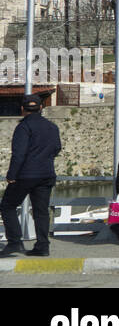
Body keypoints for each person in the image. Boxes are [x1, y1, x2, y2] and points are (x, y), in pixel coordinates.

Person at [1, 94, 61, 257]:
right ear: (41, 108)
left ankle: (14, 242)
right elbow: (57, 148)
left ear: (22, 109)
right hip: (46, 173)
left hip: (26, 174)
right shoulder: (52, 127)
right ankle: (42, 246)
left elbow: (18, 154)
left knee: (8, 205)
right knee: (41, 210)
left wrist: (12, 174)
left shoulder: (23, 127)